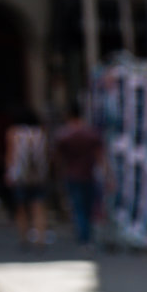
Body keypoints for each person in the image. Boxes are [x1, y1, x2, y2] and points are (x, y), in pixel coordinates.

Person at [53, 101, 104, 248]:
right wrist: (106, 173)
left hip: (72, 174)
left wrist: (57, 172)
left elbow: (57, 157)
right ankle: (86, 235)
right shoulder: (90, 133)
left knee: (78, 206)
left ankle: (84, 236)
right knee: (87, 207)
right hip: (88, 174)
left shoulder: (64, 134)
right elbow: (100, 155)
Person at [5, 106, 52, 247]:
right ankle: (40, 238)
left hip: (20, 175)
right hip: (39, 175)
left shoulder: (13, 133)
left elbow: (11, 155)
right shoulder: (41, 132)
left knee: (21, 208)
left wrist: (8, 172)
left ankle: (24, 238)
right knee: (38, 207)